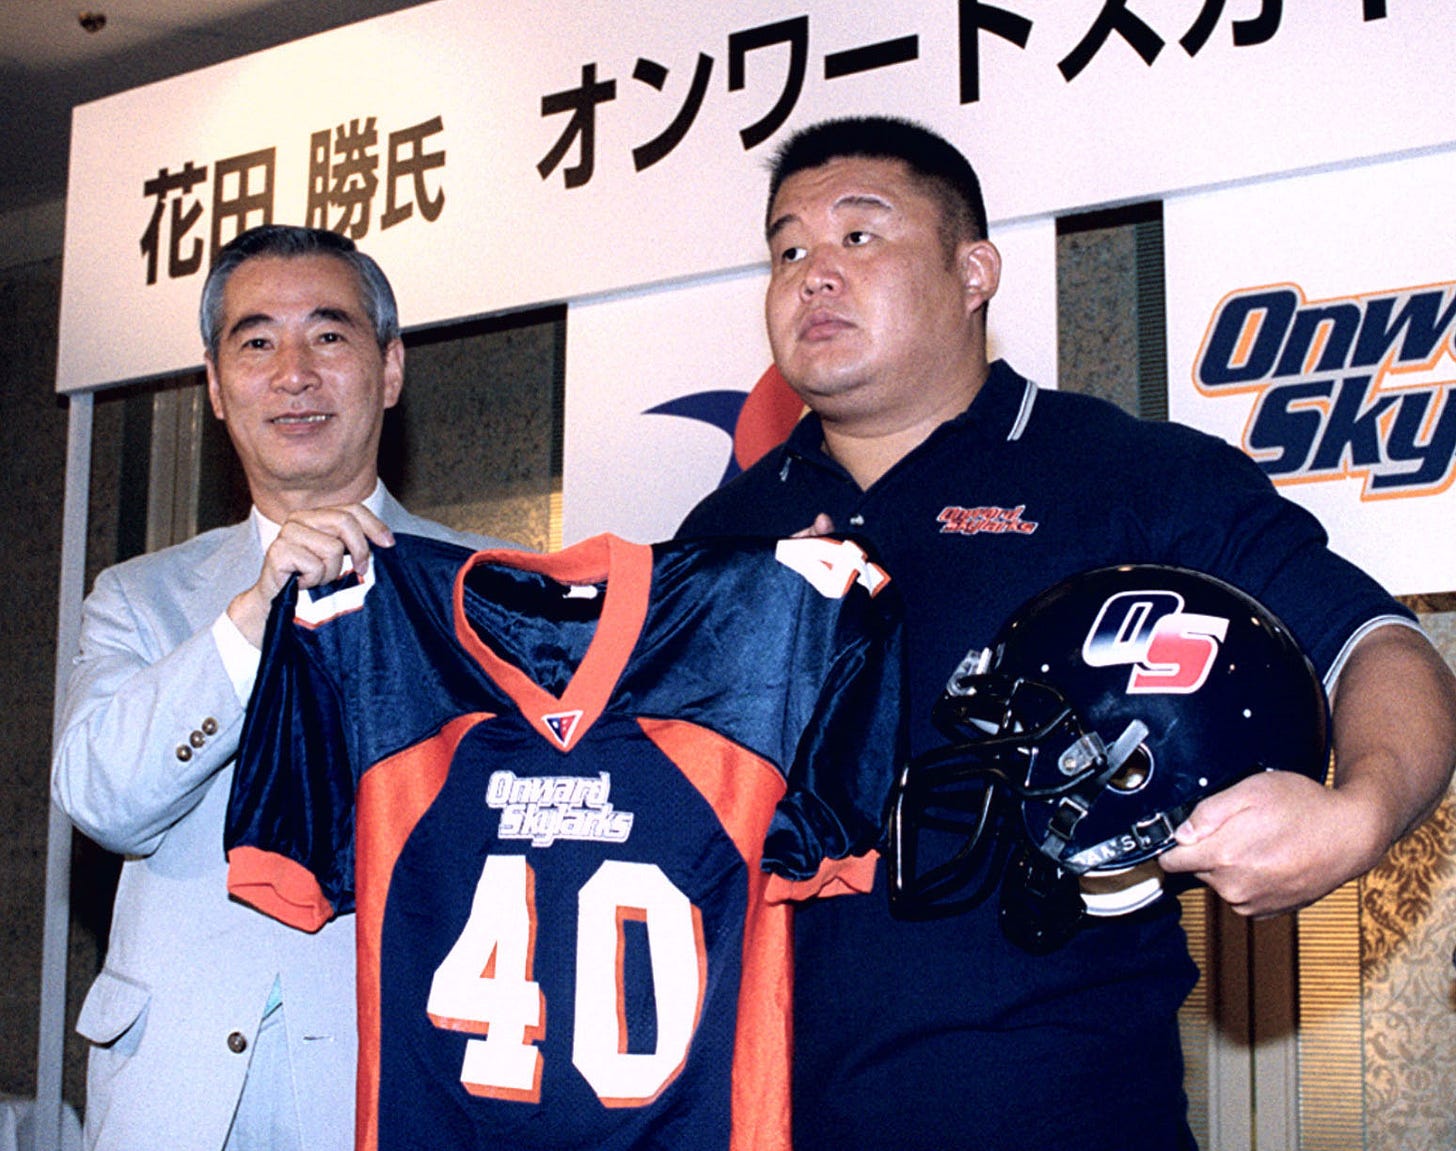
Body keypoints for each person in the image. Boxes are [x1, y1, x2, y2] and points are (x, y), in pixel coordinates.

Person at [676, 116, 1456, 1150]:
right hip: (755, 1114)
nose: (814, 272)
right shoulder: (717, 531)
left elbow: (1377, 643)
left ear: (973, 270)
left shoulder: (1128, 474)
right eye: (787, 249)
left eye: (858, 236)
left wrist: (1354, 813)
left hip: (1060, 1110)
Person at [52, 224, 511, 1151]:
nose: (294, 371)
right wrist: (254, 618)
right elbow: (101, 798)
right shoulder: (137, 598)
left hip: (394, 1080)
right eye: (256, 342)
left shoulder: (496, 587)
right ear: (216, 389)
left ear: (389, 369)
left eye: (330, 335)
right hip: (168, 1098)